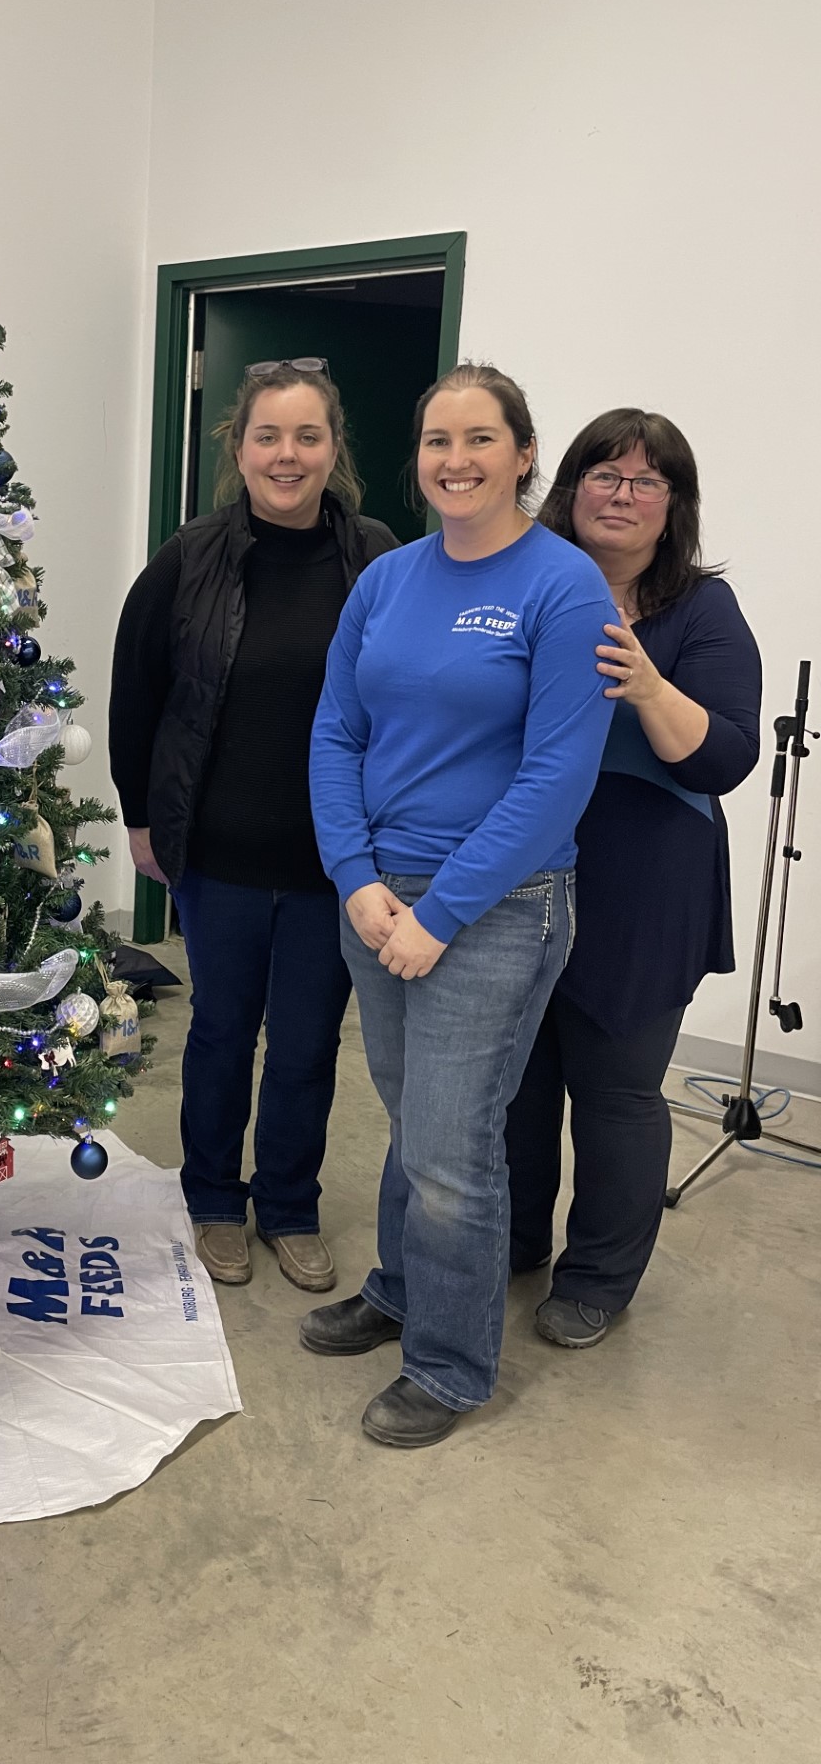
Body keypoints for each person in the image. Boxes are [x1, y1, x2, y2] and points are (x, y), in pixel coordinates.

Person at [304, 363, 615, 1448]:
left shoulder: (562, 585)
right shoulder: (387, 581)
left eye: (481, 439)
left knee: (451, 1144)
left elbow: (557, 777)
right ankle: (401, 1290)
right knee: (414, 1123)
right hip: (383, 897)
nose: (456, 460)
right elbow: (336, 733)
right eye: (438, 440)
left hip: (497, 906)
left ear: (525, 455)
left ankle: (449, 1363)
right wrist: (358, 881)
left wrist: (443, 914)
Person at [109, 360, 398, 1292]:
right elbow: (136, 696)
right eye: (268, 435)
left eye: (307, 436)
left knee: (311, 1043)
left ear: (332, 449)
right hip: (220, 854)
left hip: (336, 859)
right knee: (223, 1033)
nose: (288, 455)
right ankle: (211, 1202)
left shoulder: (377, 558)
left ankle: (289, 1205)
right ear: (239, 447)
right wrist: (143, 821)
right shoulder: (188, 558)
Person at [504, 411, 761, 1346]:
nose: (621, 493)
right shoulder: (522, 584)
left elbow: (725, 758)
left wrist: (650, 685)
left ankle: (599, 1279)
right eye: (604, 473)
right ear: (568, 488)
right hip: (520, 870)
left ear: (673, 507)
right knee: (518, 1081)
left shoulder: (703, 609)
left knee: (615, 1091)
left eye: (647, 481)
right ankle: (516, 1241)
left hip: (647, 881)